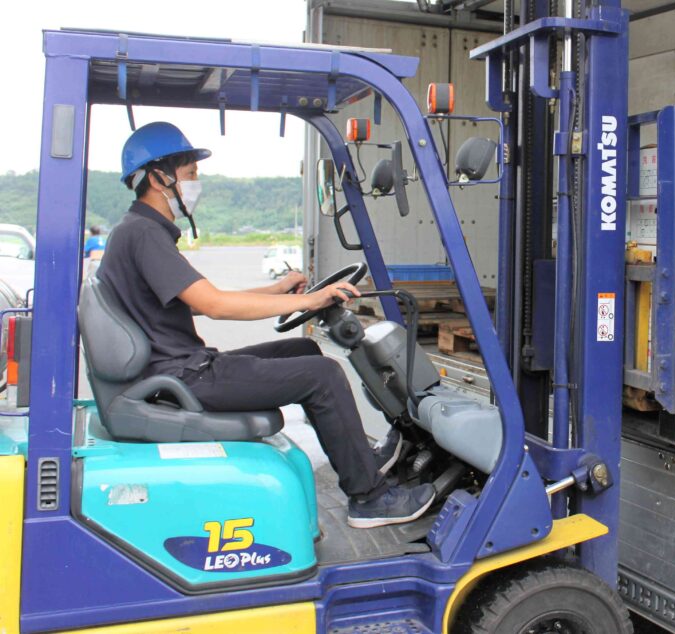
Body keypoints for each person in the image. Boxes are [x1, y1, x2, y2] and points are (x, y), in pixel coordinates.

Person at [98, 122, 434, 528]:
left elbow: (200, 299)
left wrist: (279, 290)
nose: (195, 184)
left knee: (305, 351)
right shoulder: (143, 235)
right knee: (323, 374)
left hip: (178, 369)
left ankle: (359, 461)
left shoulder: (138, 232)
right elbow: (215, 305)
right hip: (181, 376)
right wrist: (309, 299)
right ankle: (368, 498)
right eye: (190, 174)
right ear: (157, 177)